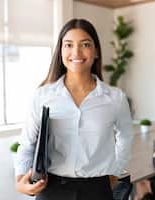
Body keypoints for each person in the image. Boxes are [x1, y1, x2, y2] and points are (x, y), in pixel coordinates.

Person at [15, 18, 133, 200]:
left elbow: (125, 138)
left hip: (97, 190)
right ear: (60, 51)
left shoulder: (115, 98)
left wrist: (114, 173)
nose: (76, 52)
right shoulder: (43, 95)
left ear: (96, 51)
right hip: (51, 189)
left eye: (85, 44)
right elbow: (27, 143)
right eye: (68, 45)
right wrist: (20, 179)